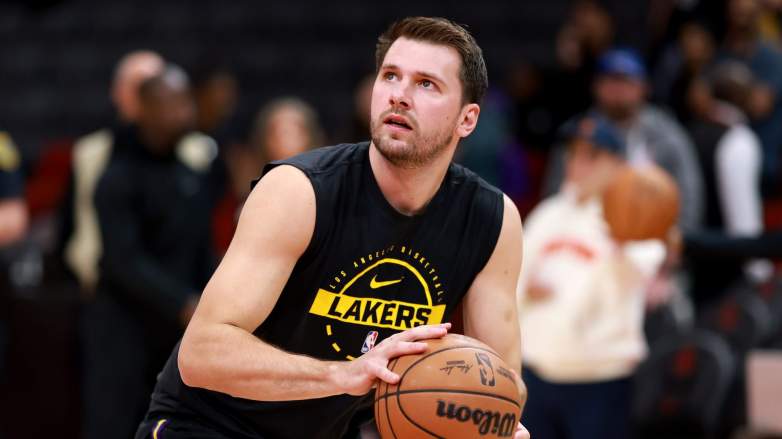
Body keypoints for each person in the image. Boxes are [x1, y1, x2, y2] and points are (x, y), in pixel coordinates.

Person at [135, 17, 529, 439]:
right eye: (390, 76)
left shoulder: (492, 219)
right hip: (209, 426)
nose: (399, 95)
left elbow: (501, 381)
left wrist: (495, 423)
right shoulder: (298, 191)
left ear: (467, 119)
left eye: (426, 84)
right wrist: (343, 374)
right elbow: (201, 353)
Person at [82, 65, 220, 439]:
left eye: (186, 102)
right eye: (172, 103)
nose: (185, 112)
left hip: (178, 332)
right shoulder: (117, 178)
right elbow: (123, 260)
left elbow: (201, 250)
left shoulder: (191, 175)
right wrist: (182, 302)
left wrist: (210, 301)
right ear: (143, 109)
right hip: (123, 330)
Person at [518, 115, 667, 439]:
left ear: (617, 164)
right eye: (573, 153)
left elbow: (647, 265)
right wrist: (526, 289)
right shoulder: (548, 213)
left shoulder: (635, 215)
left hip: (600, 377)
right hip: (537, 372)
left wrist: (622, 242)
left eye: (591, 155)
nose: (577, 164)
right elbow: (512, 281)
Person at [544, 48, 704, 231]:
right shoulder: (579, 133)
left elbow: (689, 192)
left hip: (653, 232)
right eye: (611, 80)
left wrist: (679, 234)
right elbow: (554, 192)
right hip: (587, 229)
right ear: (596, 86)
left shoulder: (666, 133)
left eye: (626, 81)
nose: (618, 89)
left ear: (644, 86)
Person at [63, 50, 165, 293]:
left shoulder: (198, 153)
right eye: (134, 86)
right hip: (101, 286)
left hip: (175, 289)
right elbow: (74, 223)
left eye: (150, 86)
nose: (142, 96)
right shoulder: (89, 153)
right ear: (116, 92)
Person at [686, 60, 772, 305]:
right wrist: (759, 271)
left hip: (690, 262)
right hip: (725, 271)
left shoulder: (690, 133)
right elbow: (742, 218)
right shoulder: (739, 140)